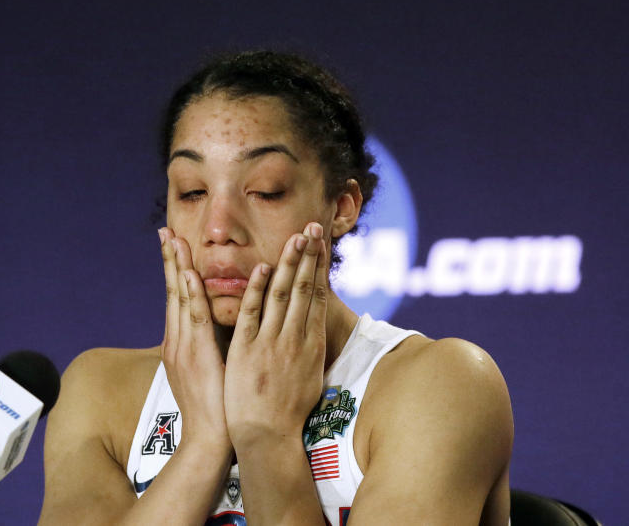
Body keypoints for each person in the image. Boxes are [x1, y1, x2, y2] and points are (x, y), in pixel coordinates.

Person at [38, 51, 513, 525]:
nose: (218, 227)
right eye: (191, 191)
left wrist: (268, 437)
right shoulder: (100, 390)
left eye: (266, 190)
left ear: (342, 208)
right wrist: (204, 441)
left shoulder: (439, 385)